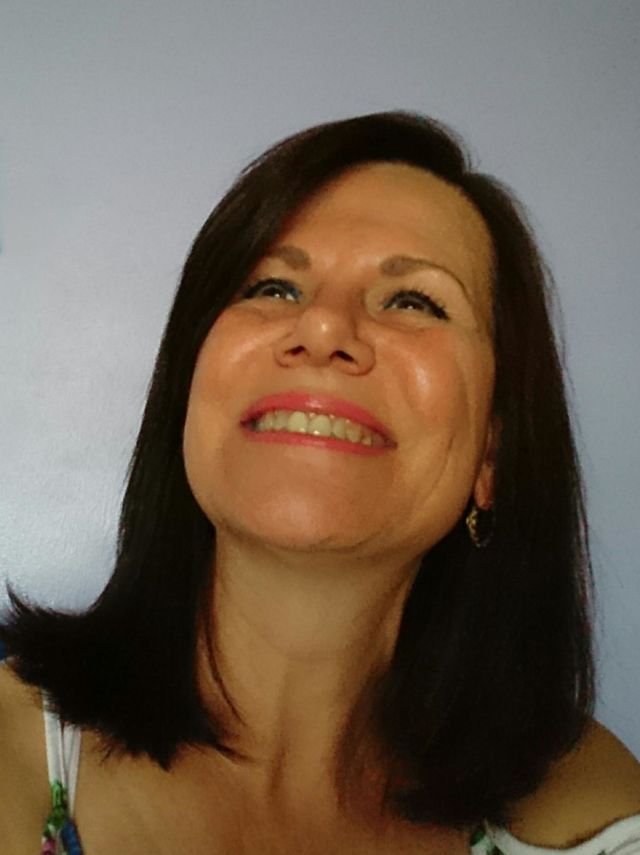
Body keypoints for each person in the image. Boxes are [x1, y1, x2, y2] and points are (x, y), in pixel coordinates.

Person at [1, 111, 639, 855]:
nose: (324, 327)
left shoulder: (587, 811)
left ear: (492, 455)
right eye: (273, 287)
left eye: (414, 301)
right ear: (189, 390)